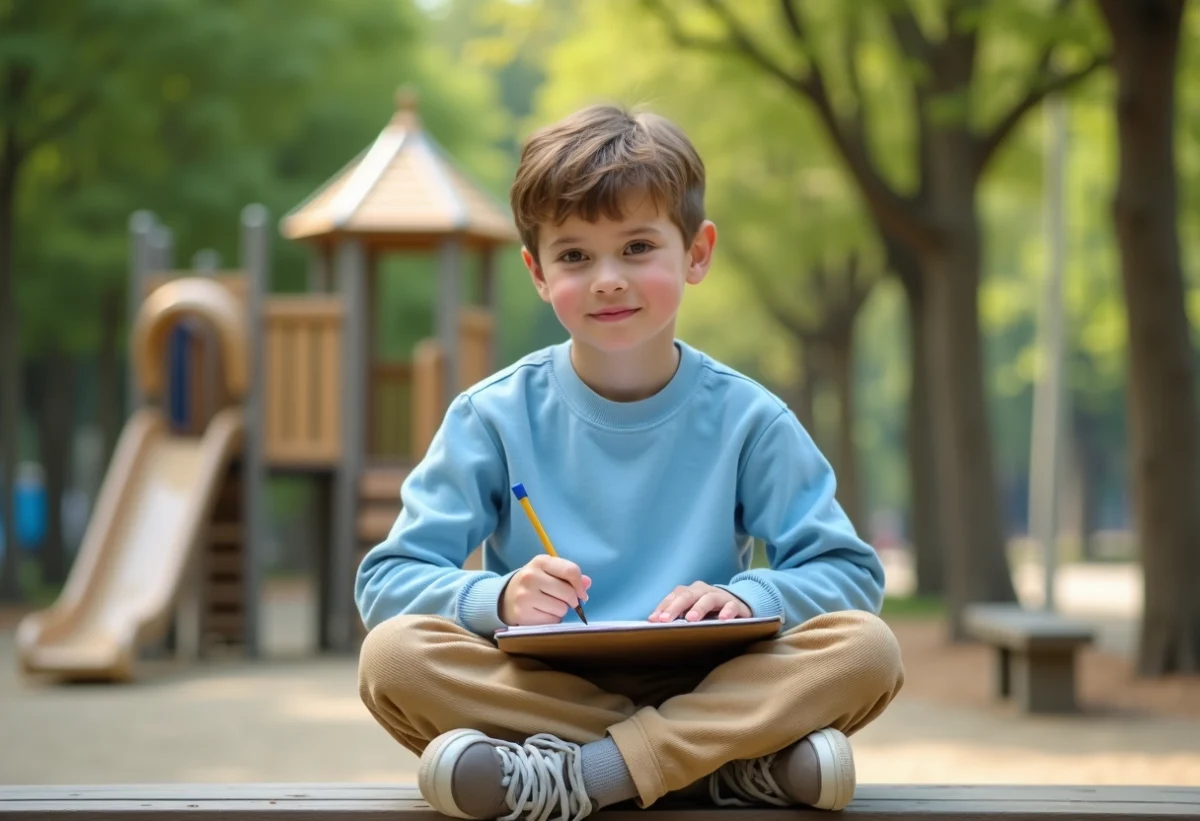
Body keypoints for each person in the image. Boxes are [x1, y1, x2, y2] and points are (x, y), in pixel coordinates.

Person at [355, 103, 904, 821]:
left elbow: (850, 575)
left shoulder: (750, 419)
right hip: (542, 684)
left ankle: (582, 773)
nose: (608, 279)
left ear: (697, 252)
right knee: (394, 656)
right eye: (574, 256)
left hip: (714, 679)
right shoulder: (489, 416)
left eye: (638, 246)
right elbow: (387, 581)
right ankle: (729, 765)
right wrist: (499, 597)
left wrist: (750, 597)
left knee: (866, 649)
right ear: (537, 271)